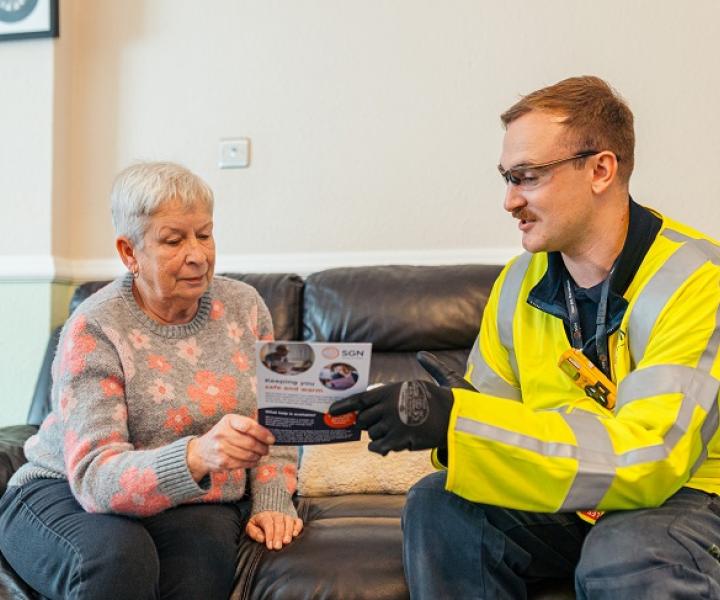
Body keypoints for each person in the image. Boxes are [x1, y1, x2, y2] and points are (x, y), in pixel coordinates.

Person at [330, 76, 720, 598]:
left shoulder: (698, 279)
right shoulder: (518, 283)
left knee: (624, 553)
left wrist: (462, 421)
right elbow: (495, 425)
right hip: (572, 494)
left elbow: (651, 457)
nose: (509, 201)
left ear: (601, 170)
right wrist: (450, 420)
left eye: (528, 176)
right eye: (506, 178)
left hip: (685, 494)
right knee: (439, 504)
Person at [0, 162, 303, 600]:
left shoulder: (246, 307)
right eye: (174, 240)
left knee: (203, 567)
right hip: (65, 489)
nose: (198, 254)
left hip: (193, 499)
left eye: (205, 234)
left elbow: (277, 420)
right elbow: (95, 476)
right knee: (120, 557)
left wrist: (273, 497)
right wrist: (199, 454)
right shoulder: (95, 326)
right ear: (129, 252)